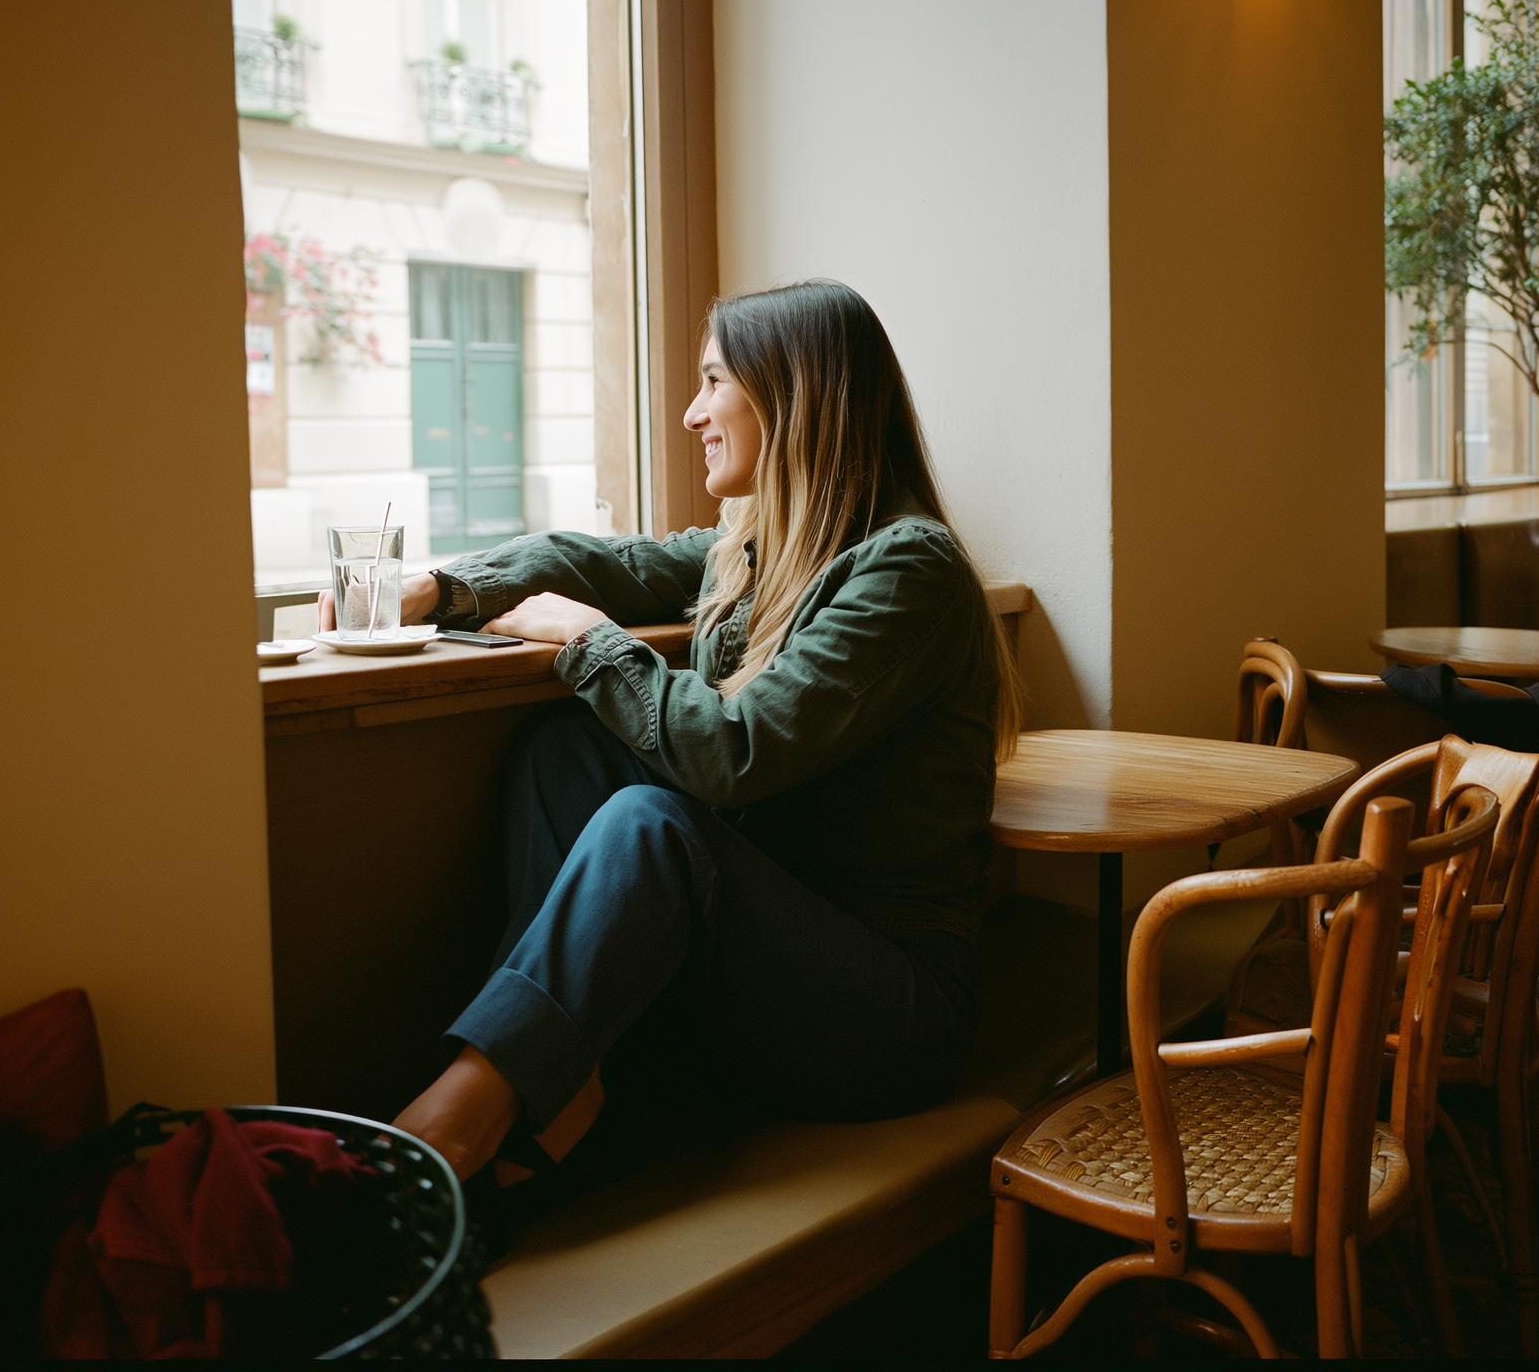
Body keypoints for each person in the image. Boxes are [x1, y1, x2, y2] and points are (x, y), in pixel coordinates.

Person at [321, 279, 1020, 1185]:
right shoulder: (765, 546)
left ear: (791, 394)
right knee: (562, 754)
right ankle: (558, 1087)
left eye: (712, 382)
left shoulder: (905, 569)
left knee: (652, 824)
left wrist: (589, 641)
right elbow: (613, 562)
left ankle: (458, 1126)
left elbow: (737, 751)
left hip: (886, 1011)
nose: (692, 412)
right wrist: (445, 587)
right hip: (774, 956)